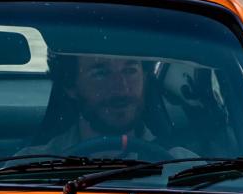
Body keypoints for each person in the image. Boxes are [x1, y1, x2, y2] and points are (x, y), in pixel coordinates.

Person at [31, 52, 188, 158]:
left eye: (130, 70)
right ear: (70, 86)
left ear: (145, 77)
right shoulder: (29, 171)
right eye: (101, 73)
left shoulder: (186, 169)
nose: (121, 88)